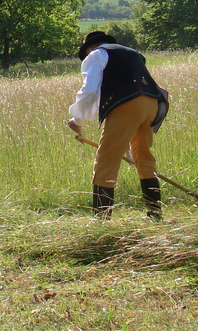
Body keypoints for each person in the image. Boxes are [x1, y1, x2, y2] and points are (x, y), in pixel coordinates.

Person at [67, 31, 168, 220]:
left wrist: (77, 120)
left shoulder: (96, 54)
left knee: (106, 160)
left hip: (127, 104)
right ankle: (155, 214)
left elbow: (89, 89)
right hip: (152, 103)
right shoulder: (134, 53)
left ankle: (101, 221)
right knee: (144, 156)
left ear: (90, 48)